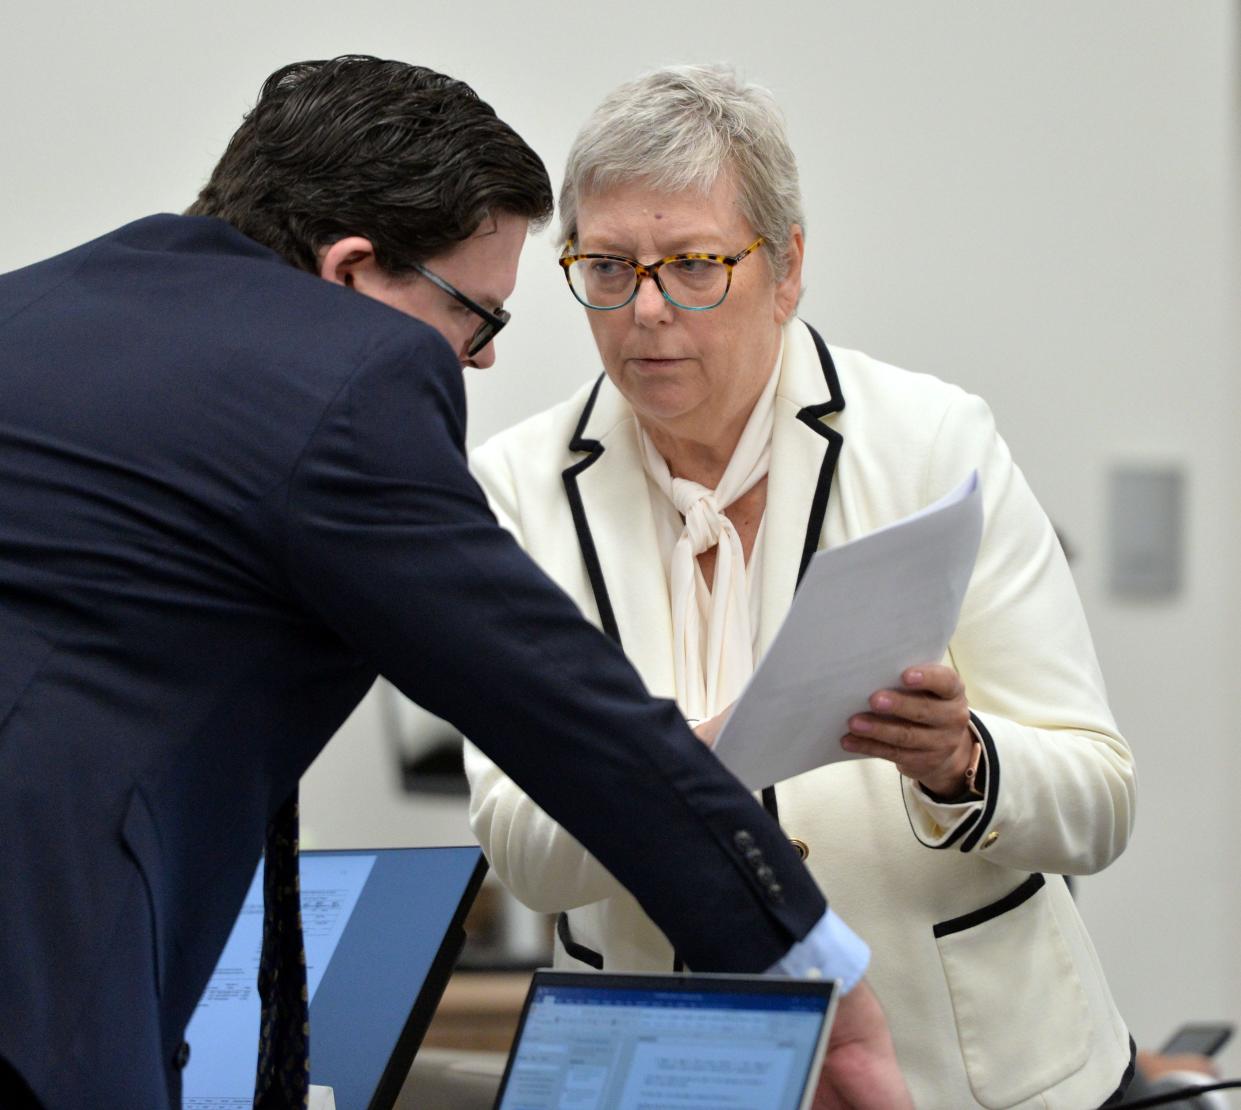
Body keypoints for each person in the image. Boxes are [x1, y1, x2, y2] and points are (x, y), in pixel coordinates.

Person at [0, 57, 905, 1110]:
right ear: (349, 276)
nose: (475, 363)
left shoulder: (33, 308)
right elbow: (556, 702)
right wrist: (811, 972)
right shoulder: (345, 379)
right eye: (478, 317)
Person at [464, 63, 1138, 1108]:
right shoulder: (515, 488)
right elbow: (525, 858)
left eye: (692, 265)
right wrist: (663, 771)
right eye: (606, 266)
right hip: (666, 1066)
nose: (644, 311)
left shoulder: (929, 443)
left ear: (787, 270)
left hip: (963, 1069)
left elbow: (1097, 803)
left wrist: (962, 763)